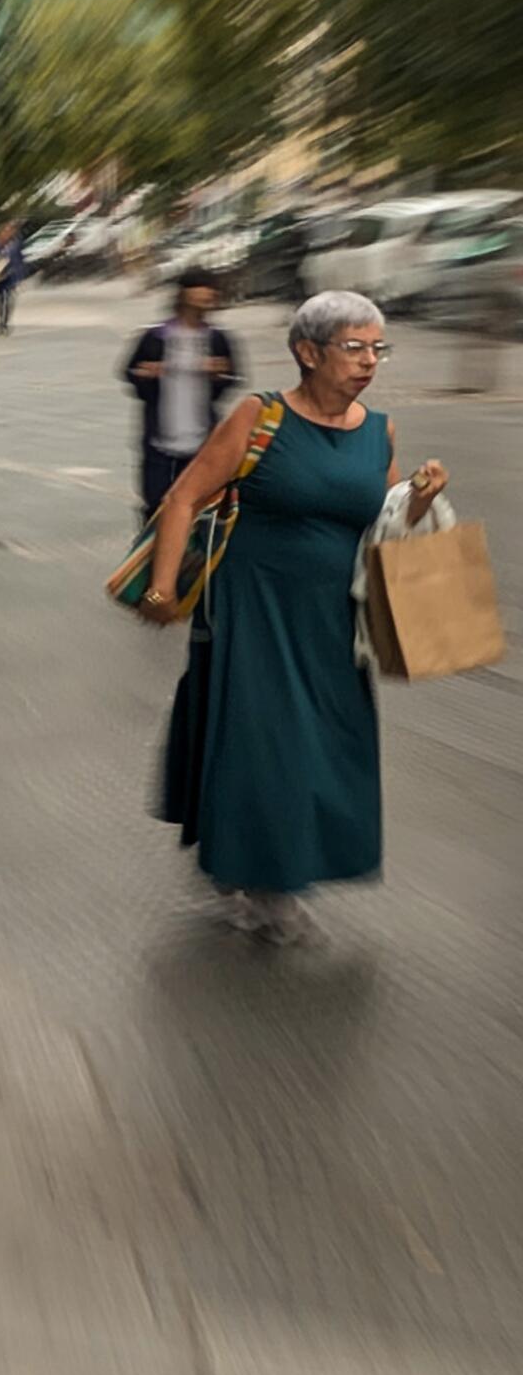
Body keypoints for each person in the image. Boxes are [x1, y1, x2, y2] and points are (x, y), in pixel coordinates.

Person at [142, 292, 449, 941]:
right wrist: (163, 589)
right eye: (354, 347)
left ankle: (258, 859)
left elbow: (387, 524)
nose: (369, 361)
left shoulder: (378, 429)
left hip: (335, 618)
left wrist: (420, 499)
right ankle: (267, 884)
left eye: (377, 348)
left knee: (328, 743)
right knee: (269, 742)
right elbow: (182, 497)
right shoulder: (261, 417)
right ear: (307, 352)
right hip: (254, 607)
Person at [122, 269, 241, 523]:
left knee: (203, 509)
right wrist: (147, 375)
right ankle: (152, 559)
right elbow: (129, 373)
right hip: (160, 441)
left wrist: (219, 375)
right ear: (183, 294)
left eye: (210, 291)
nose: (206, 296)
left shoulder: (217, 339)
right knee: (156, 508)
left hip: (203, 442)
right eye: (200, 288)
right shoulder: (155, 337)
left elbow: (234, 379)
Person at [0, 223, 25, 333]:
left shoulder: (15, 245)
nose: (7, 234)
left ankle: (4, 323)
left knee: (9, 301)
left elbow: (19, 261)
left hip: (10, 277)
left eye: (9, 231)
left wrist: (20, 277)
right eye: (5, 231)